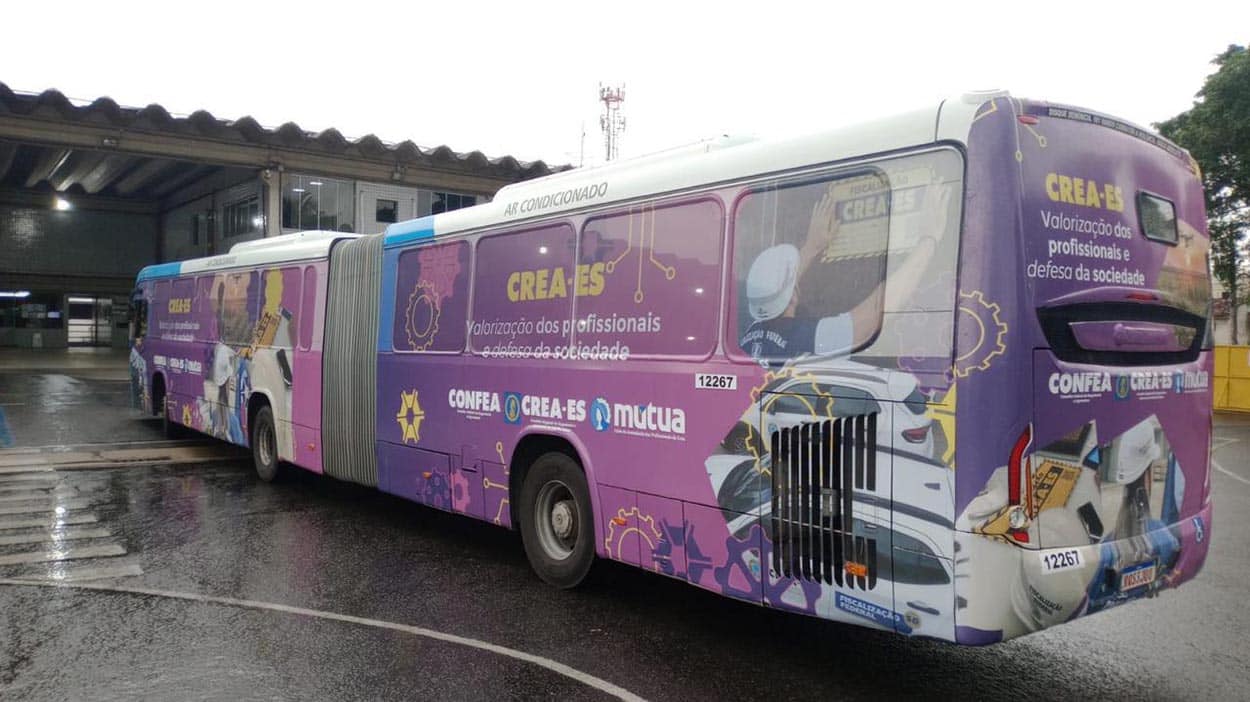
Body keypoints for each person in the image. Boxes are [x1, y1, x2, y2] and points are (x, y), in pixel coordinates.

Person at [740, 182, 952, 365]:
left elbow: (775, 290)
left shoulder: (750, 336)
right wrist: (928, 241)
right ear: (793, 294)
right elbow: (870, 318)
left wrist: (812, 246)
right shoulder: (807, 338)